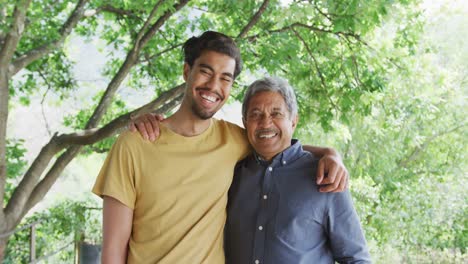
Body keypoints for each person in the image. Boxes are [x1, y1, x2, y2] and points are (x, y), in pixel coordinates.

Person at [93, 31, 348, 264]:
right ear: (186, 71)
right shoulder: (134, 145)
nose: (214, 86)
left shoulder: (234, 140)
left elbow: (279, 146)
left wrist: (329, 154)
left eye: (225, 78)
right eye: (205, 71)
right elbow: (113, 251)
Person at [224, 77, 371, 263]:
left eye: (276, 114)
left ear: (293, 121)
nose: (265, 123)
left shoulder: (326, 177)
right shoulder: (231, 173)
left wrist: (331, 154)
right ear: (245, 122)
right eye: (256, 114)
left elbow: (356, 259)